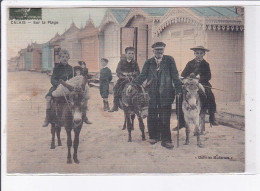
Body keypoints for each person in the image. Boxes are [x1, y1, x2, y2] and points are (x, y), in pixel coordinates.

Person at [130, 42, 182, 149]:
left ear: (164, 50)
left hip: (166, 92)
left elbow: (175, 75)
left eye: (161, 49)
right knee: (152, 115)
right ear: (153, 51)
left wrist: (178, 89)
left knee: (165, 116)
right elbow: (142, 75)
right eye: (157, 50)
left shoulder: (169, 60)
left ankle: (166, 139)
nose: (159, 52)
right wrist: (133, 84)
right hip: (151, 93)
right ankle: (154, 136)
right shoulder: (148, 62)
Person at [174, 45, 218, 131]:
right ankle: (181, 122)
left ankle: (212, 117)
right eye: (197, 53)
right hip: (190, 84)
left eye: (201, 53)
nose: (199, 55)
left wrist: (198, 79)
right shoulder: (190, 63)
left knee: (209, 94)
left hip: (201, 82)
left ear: (204, 54)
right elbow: (183, 74)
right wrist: (188, 79)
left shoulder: (206, 64)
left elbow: (208, 76)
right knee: (179, 97)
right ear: (194, 53)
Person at [42, 49, 73, 127]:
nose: (64, 58)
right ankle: (47, 118)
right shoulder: (56, 68)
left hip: (69, 87)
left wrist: (70, 85)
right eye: (62, 57)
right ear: (59, 58)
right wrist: (58, 84)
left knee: (79, 97)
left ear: (68, 58)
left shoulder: (71, 68)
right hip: (57, 86)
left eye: (66, 57)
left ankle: (83, 116)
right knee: (48, 98)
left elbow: (73, 79)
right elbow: (53, 79)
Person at [109, 47, 140, 112]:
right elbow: (118, 71)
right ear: (125, 54)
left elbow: (138, 72)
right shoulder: (121, 61)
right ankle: (115, 106)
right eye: (129, 53)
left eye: (132, 53)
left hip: (132, 79)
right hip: (123, 79)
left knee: (141, 88)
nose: (131, 55)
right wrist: (123, 76)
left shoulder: (134, 62)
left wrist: (133, 74)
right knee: (116, 89)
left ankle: (141, 104)